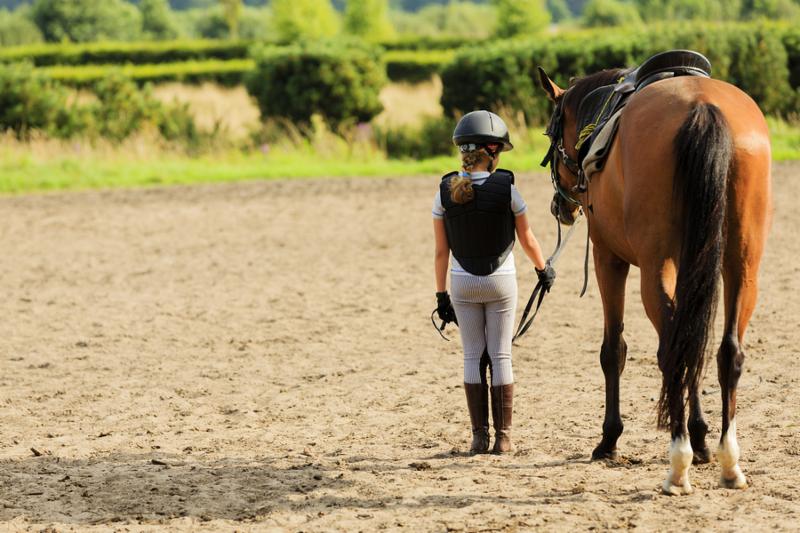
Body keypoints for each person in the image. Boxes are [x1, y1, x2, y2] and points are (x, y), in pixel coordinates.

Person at [432, 110, 556, 454]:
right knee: (501, 355)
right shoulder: (508, 189)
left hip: (461, 282)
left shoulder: (444, 191)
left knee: (472, 356)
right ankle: (503, 439)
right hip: (500, 281)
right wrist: (543, 269)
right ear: (493, 153)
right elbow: (528, 239)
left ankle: (478, 437)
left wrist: (441, 296)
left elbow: (441, 252)